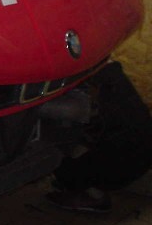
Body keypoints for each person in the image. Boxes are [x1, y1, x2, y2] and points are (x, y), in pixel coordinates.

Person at [47, 61, 152, 212]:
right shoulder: (115, 80)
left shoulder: (97, 92)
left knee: (59, 159)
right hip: (142, 159)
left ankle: (94, 195)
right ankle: (88, 185)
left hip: (123, 166)